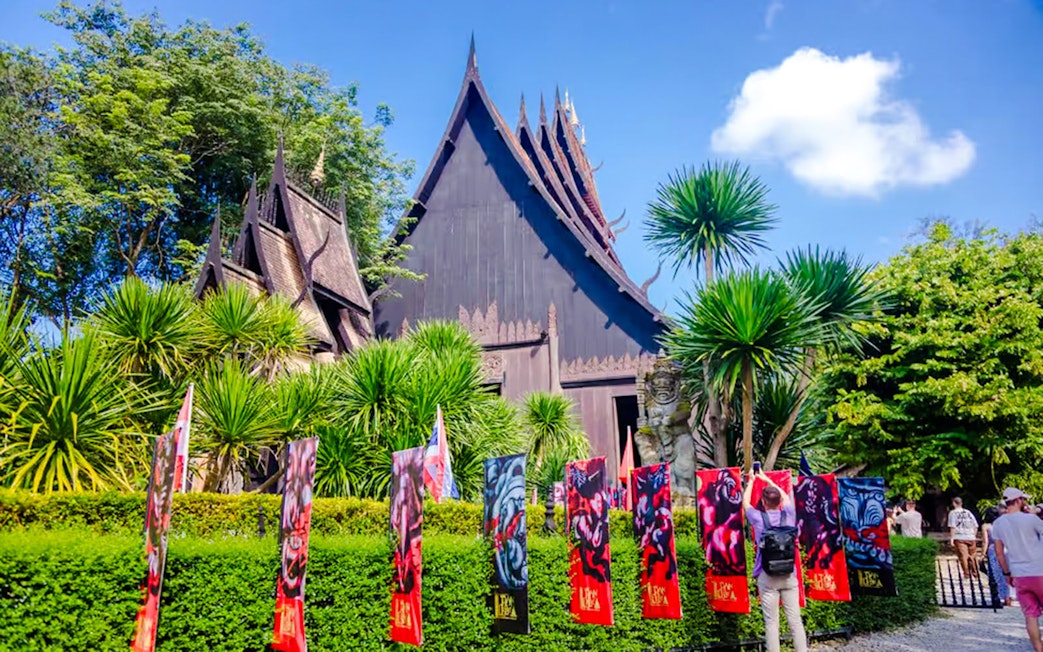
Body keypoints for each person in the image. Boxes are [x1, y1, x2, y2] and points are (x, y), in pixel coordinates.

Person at [743, 469, 808, 652]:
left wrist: (752, 481)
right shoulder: (789, 513)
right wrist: (766, 478)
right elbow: (786, 497)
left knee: (771, 623)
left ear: (763, 502)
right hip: (789, 574)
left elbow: (745, 502)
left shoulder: (757, 518)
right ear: (779, 501)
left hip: (766, 575)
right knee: (795, 621)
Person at [992, 487, 1043, 652]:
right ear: (1019, 500)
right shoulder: (1031, 520)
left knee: (1030, 615)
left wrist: (1007, 574)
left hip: (1019, 574)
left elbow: (999, 553)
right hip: (1040, 570)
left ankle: (1038, 649)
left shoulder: (998, 524)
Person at [981, 506, 1012, 606]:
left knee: (994, 574)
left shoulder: (986, 526)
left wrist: (982, 554)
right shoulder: (1002, 525)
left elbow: (985, 542)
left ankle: (997, 596)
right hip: (1005, 549)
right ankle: (1008, 597)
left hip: (993, 550)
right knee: (1005, 573)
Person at [948, 496, 980, 578]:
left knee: (963, 556)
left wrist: (952, 538)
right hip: (971, 537)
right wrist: (974, 535)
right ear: (961, 503)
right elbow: (976, 525)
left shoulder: (953, 513)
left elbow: (953, 526)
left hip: (960, 537)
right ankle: (975, 573)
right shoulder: (968, 512)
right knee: (973, 556)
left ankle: (967, 574)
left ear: (954, 503)